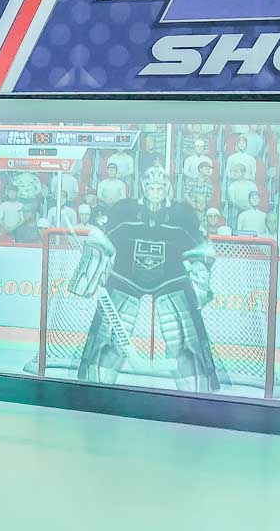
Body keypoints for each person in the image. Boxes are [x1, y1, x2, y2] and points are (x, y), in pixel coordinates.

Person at [67, 166, 219, 390]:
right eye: (151, 187)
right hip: (125, 277)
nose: (155, 191)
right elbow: (98, 237)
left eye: (160, 187)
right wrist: (90, 273)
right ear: (143, 187)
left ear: (167, 187)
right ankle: (94, 387)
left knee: (184, 339)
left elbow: (203, 250)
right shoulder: (124, 209)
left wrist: (200, 286)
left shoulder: (183, 214)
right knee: (107, 339)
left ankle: (196, 392)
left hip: (171, 279)